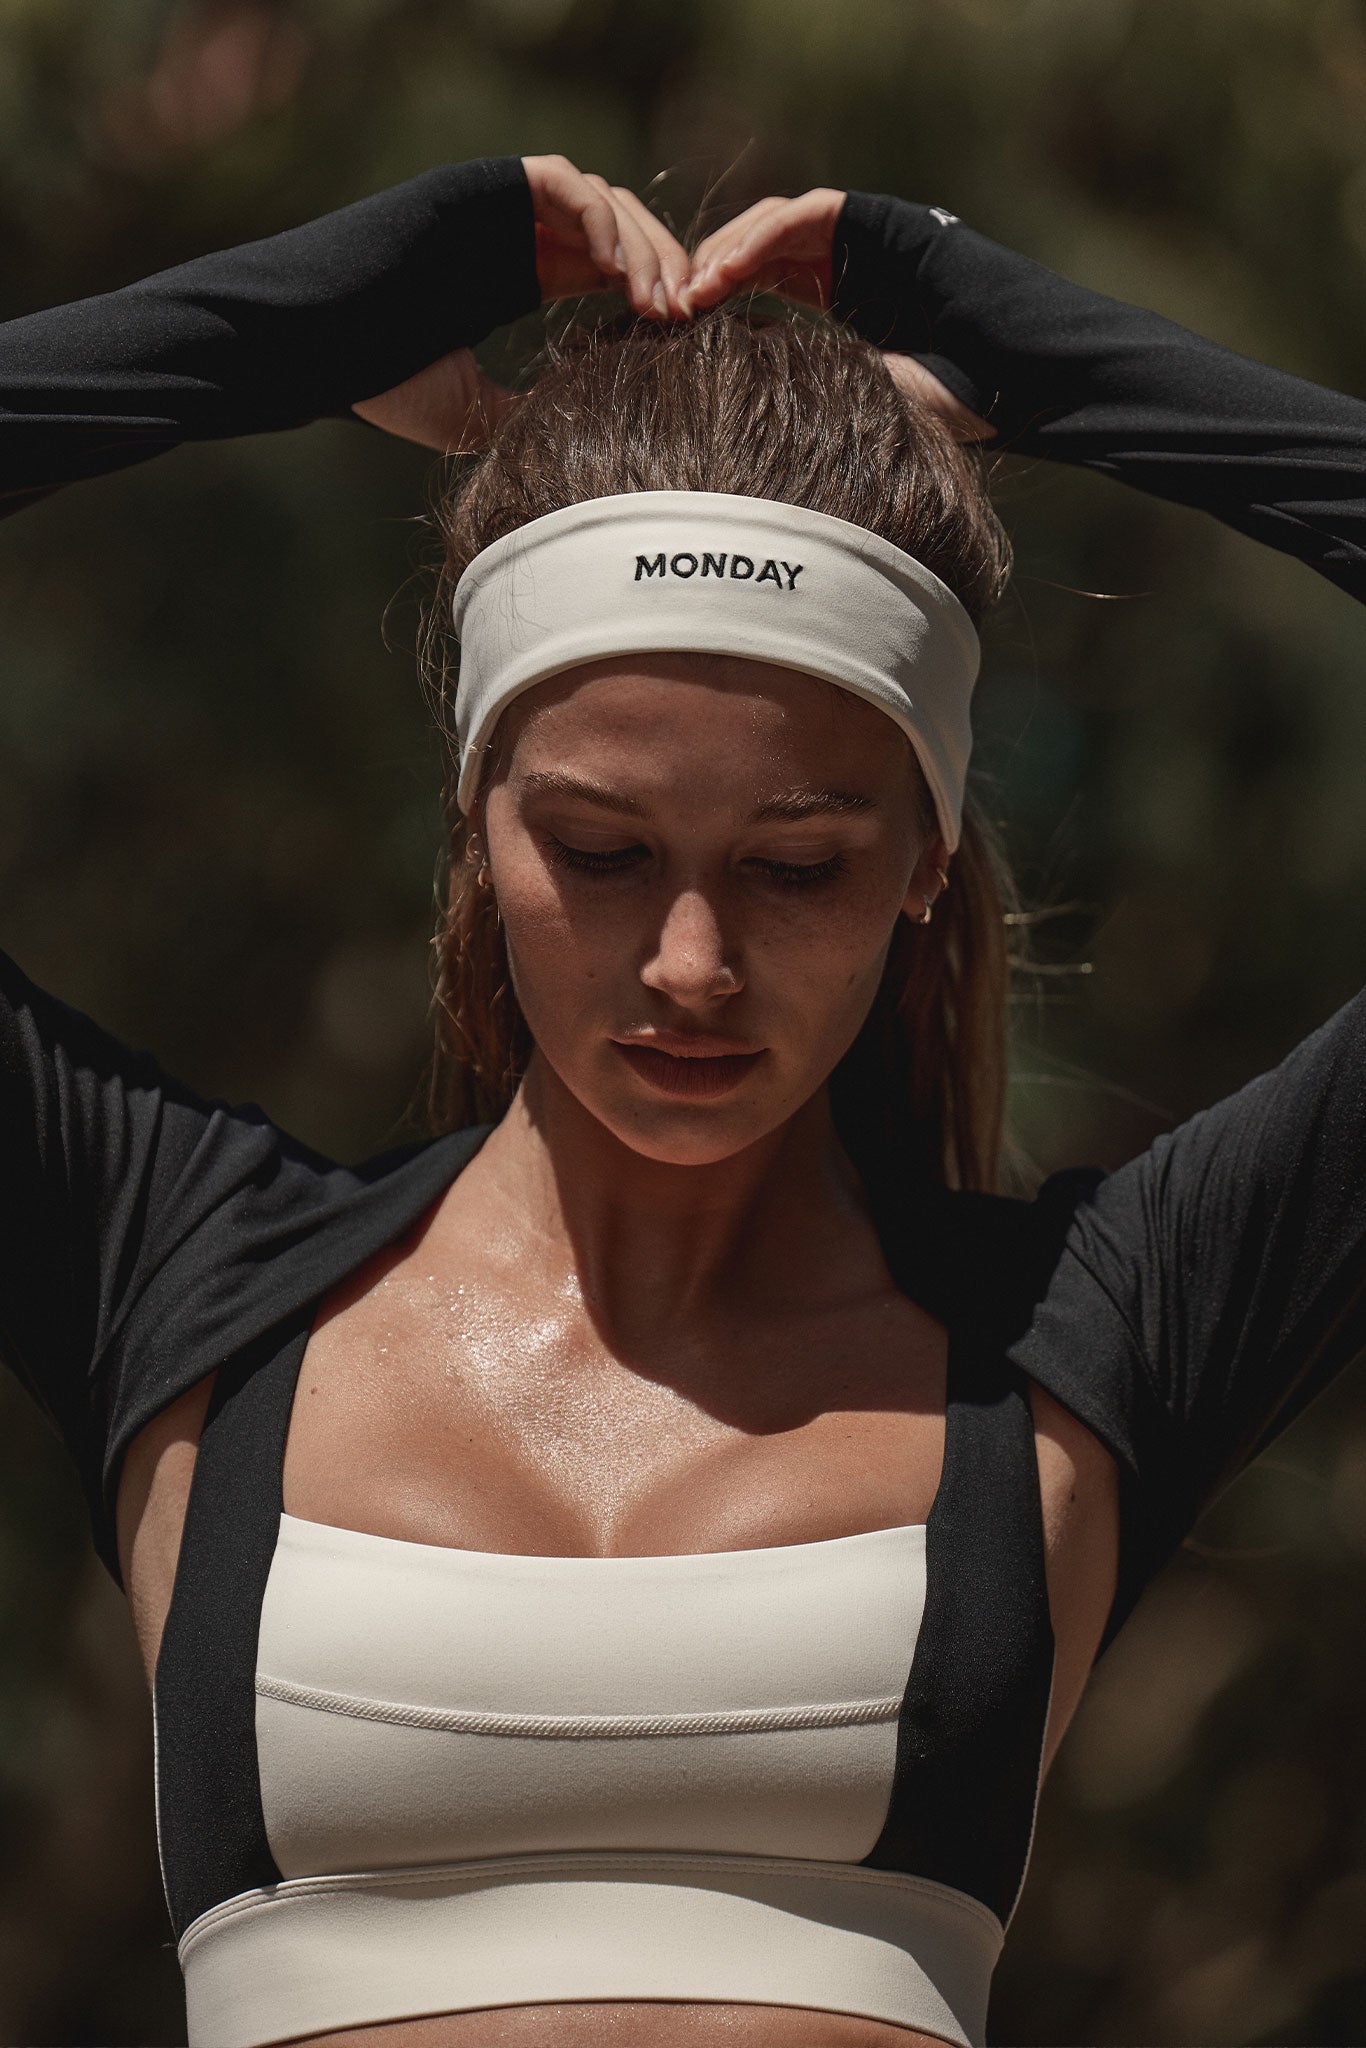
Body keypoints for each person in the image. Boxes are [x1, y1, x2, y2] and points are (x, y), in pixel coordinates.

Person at [1, 150, 1363, 2048]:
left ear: (922, 862)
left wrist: (1036, 351)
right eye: (600, 847)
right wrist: (298, 317)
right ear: (477, 831)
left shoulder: (1083, 1341)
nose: (690, 966)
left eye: (797, 864)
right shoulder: (187, 1282)